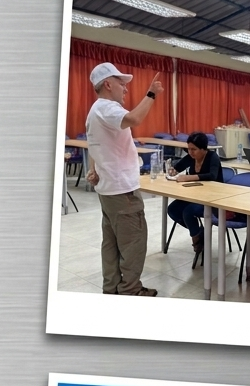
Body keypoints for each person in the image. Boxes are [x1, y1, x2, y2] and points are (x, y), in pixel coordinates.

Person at [84, 61, 164, 297]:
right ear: (108, 84)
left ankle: (111, 288)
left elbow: (94, 144)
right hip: (122, 192)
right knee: (133, 243)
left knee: (111, 244)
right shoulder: (108, 107)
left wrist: (94, 168)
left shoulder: (95, 110)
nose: (126, 88)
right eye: (122, 83)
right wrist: (151, 94)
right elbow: (134, 119)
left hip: (108, 190)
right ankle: (130, 290)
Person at [165, 131, 223, 259]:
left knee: (188, 212)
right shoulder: (191, 157)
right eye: (189, 149)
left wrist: (189, 177)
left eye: (194, 149)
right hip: (194, 195)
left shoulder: (212, 157)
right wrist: (172, 171)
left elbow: (212, 176)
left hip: (212, 198)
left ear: (203, 149)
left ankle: (196, 240)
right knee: (172, 209)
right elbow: (177, 168)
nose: (190, 152)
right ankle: (198, 232)